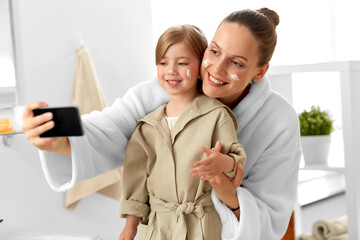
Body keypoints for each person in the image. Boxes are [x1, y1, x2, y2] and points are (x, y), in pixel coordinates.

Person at [22, 8, 301, 239]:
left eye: (236, 63)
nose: (216, 69)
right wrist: (59, 138)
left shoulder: (279, 121)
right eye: (214, 52)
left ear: (260, 71)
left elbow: (270, 215)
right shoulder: (166, 92)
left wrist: (228, 193)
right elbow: (113, 128)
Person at [118, 24, 246, 240]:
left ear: (200, 68)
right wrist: (131, 226)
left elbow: (237, 161)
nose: (171, 70)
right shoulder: (147, 127)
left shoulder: (216, 115)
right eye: (163, 63)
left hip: (201, 227)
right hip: (158, 227)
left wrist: (221, 162)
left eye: (182, 63)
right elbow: (136, 178)